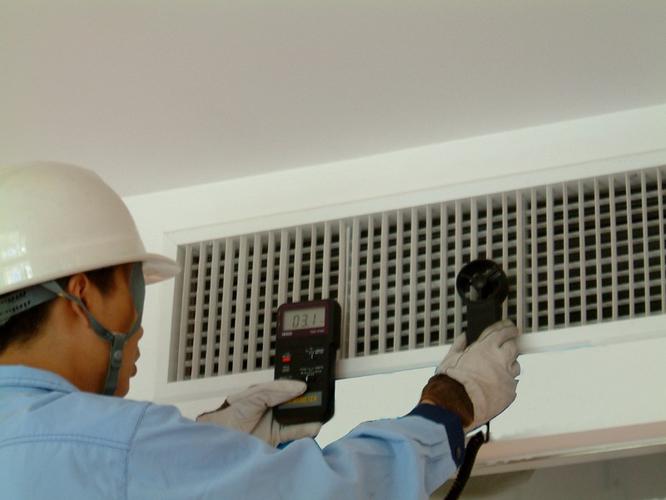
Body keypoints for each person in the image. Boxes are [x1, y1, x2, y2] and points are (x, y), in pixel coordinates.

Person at [0, 162, 520, 499]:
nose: (136, 333)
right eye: (134, 289)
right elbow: (331, 493)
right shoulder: (117, 444)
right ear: (82, 293)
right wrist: (448, 410)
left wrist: (207, 448)